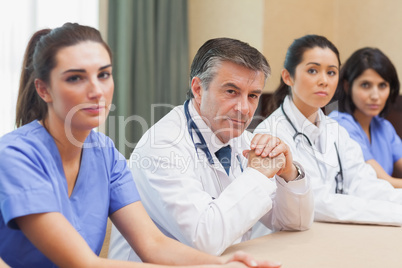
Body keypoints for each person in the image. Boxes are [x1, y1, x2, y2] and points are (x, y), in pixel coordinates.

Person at [0, 23, 282, 268]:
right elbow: (82, 263)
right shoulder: (16, 155)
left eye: (104, 75)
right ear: (43, 89)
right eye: (75, 77)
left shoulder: (105, 153)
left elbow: (153, 244)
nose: (96, 90)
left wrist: (222, 263)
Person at [109, 37, 314, 261]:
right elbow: (205, 239)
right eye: (231, 92)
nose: (244, 109)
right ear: (198, 89)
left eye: (253, 95)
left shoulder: (242, 141)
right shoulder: (162, 147)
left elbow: (295, 223)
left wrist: (289, 173)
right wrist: (257, 175)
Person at [255, 34, 402, 226]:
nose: (324, 80)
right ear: (288, 77)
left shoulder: (337, 132)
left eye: (331, 72)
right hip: (282, 241)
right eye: (313, 71)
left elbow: (364, 184)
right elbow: (317, 202)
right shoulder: (271, 134)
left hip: (331, 234)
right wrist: (394, 214)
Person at [328, 47, 402, 188]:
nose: (375, 96)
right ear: (347, 86)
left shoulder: (384, 127)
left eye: (382, 85)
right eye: (365, 85)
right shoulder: (339, 124)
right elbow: (382, 182)